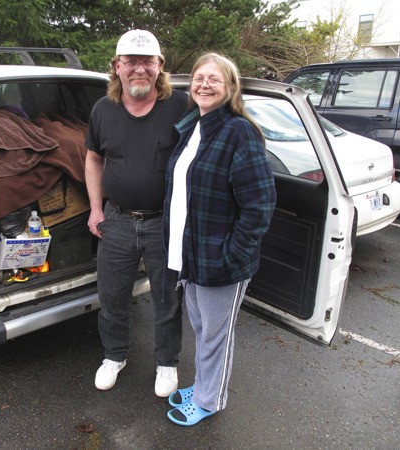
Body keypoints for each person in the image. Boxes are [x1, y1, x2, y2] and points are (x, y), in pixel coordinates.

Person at [163, 52, 276, 426]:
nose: (204, 84)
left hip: (221, 261)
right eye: (199, 77)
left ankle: (211, 400)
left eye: (214, 79)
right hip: (191, 255)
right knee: (201, 329)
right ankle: (203, 385)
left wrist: (232, 255)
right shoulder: (195, 124)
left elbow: (259, 205)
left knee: (216, 336)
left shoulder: (238, 131)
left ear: (230, 88)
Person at [84, 29, 188, 397]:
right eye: (131, 61)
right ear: (117, 67)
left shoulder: (181, 107)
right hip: (118, 221)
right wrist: (96, 208)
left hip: (165, 223)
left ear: (160, 67)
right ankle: (114, 356)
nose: (139, 69)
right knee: (112, 296)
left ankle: (166, 363)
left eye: (147, 62)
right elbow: (94, 158)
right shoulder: (102, 110)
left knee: (167, 299)